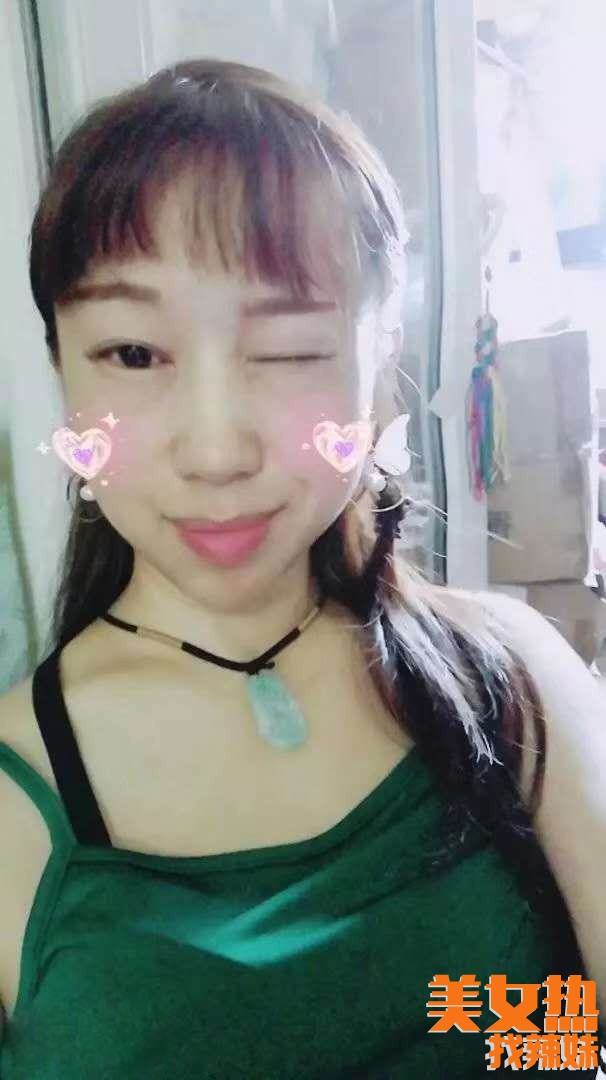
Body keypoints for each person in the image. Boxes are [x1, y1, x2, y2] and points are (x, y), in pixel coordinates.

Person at [0, 59, 604, 1079]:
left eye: (287, 351)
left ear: (380, 365)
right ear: (63, 368)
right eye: (133, 355)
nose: (215, 451)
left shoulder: (512, 684)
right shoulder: (15, 790)